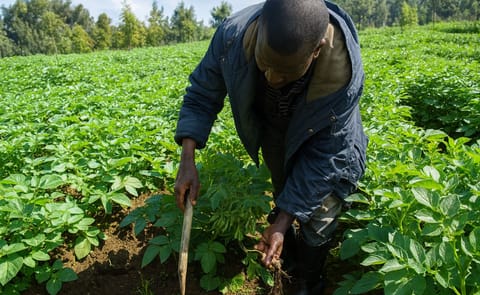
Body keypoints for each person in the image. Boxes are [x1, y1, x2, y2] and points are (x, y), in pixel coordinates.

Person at [173, 0, 368, 294]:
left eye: (287, 73)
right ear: (261, 28)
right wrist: (187, 159)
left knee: (320, 211)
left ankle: (309, 279)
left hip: (325, 137)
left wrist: (284, 218)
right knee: (283, 191)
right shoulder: (232, 37)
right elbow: (203, 93)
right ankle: (286, 256)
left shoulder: (341, 76)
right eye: (266, 64)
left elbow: (326, 159)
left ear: (316, 51)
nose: (273, 78)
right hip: (275, 131)